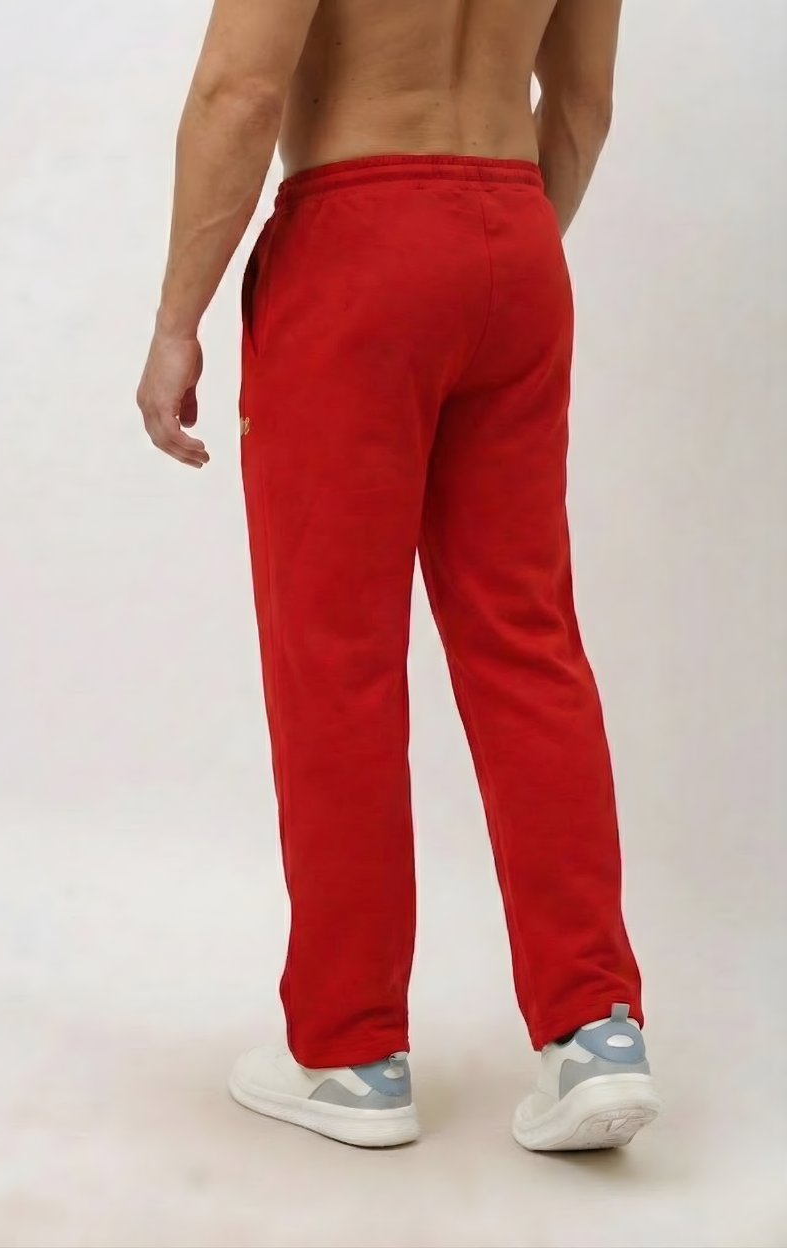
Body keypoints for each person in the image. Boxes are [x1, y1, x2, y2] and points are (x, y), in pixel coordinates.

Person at [136, 0, 660, 1153]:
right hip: (515, 242)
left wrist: (177, 320)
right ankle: (594, 1032)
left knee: (337, 659)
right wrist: (489, 243)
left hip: (356, 243)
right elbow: (580, 105)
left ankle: (349, 1048)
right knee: (527, 641)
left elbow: (240, 90)